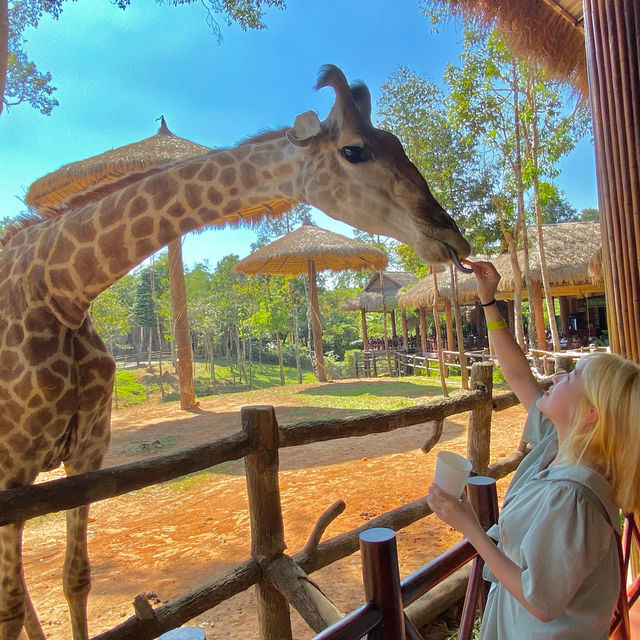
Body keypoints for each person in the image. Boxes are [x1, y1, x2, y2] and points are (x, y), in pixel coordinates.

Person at [427, 261, 640, 640]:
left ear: (589, 414)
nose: (558, 376)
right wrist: (489, 302)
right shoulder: (560, 445)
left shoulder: (572, 497)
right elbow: (518, 374)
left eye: (572, 376)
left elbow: (539, 601)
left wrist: (469, 528)